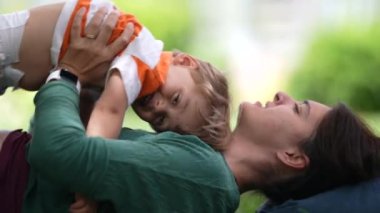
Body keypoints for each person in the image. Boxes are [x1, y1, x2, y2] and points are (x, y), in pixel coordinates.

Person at [25, 8, 380, 213]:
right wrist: (92, 90)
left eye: (299, 109)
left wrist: (67, 72)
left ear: (292, 156)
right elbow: (83, 151)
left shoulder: (204, 178)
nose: (283, 95)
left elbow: (58, 152)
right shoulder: (203, 166)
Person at [0, 0, 230, 149]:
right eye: (176, 99)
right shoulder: (144, 59)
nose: (160, 107)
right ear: (185, 61)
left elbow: (82, 112)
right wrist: (87, 179)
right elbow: (108, 113)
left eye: (160, 120)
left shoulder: (119, 70)